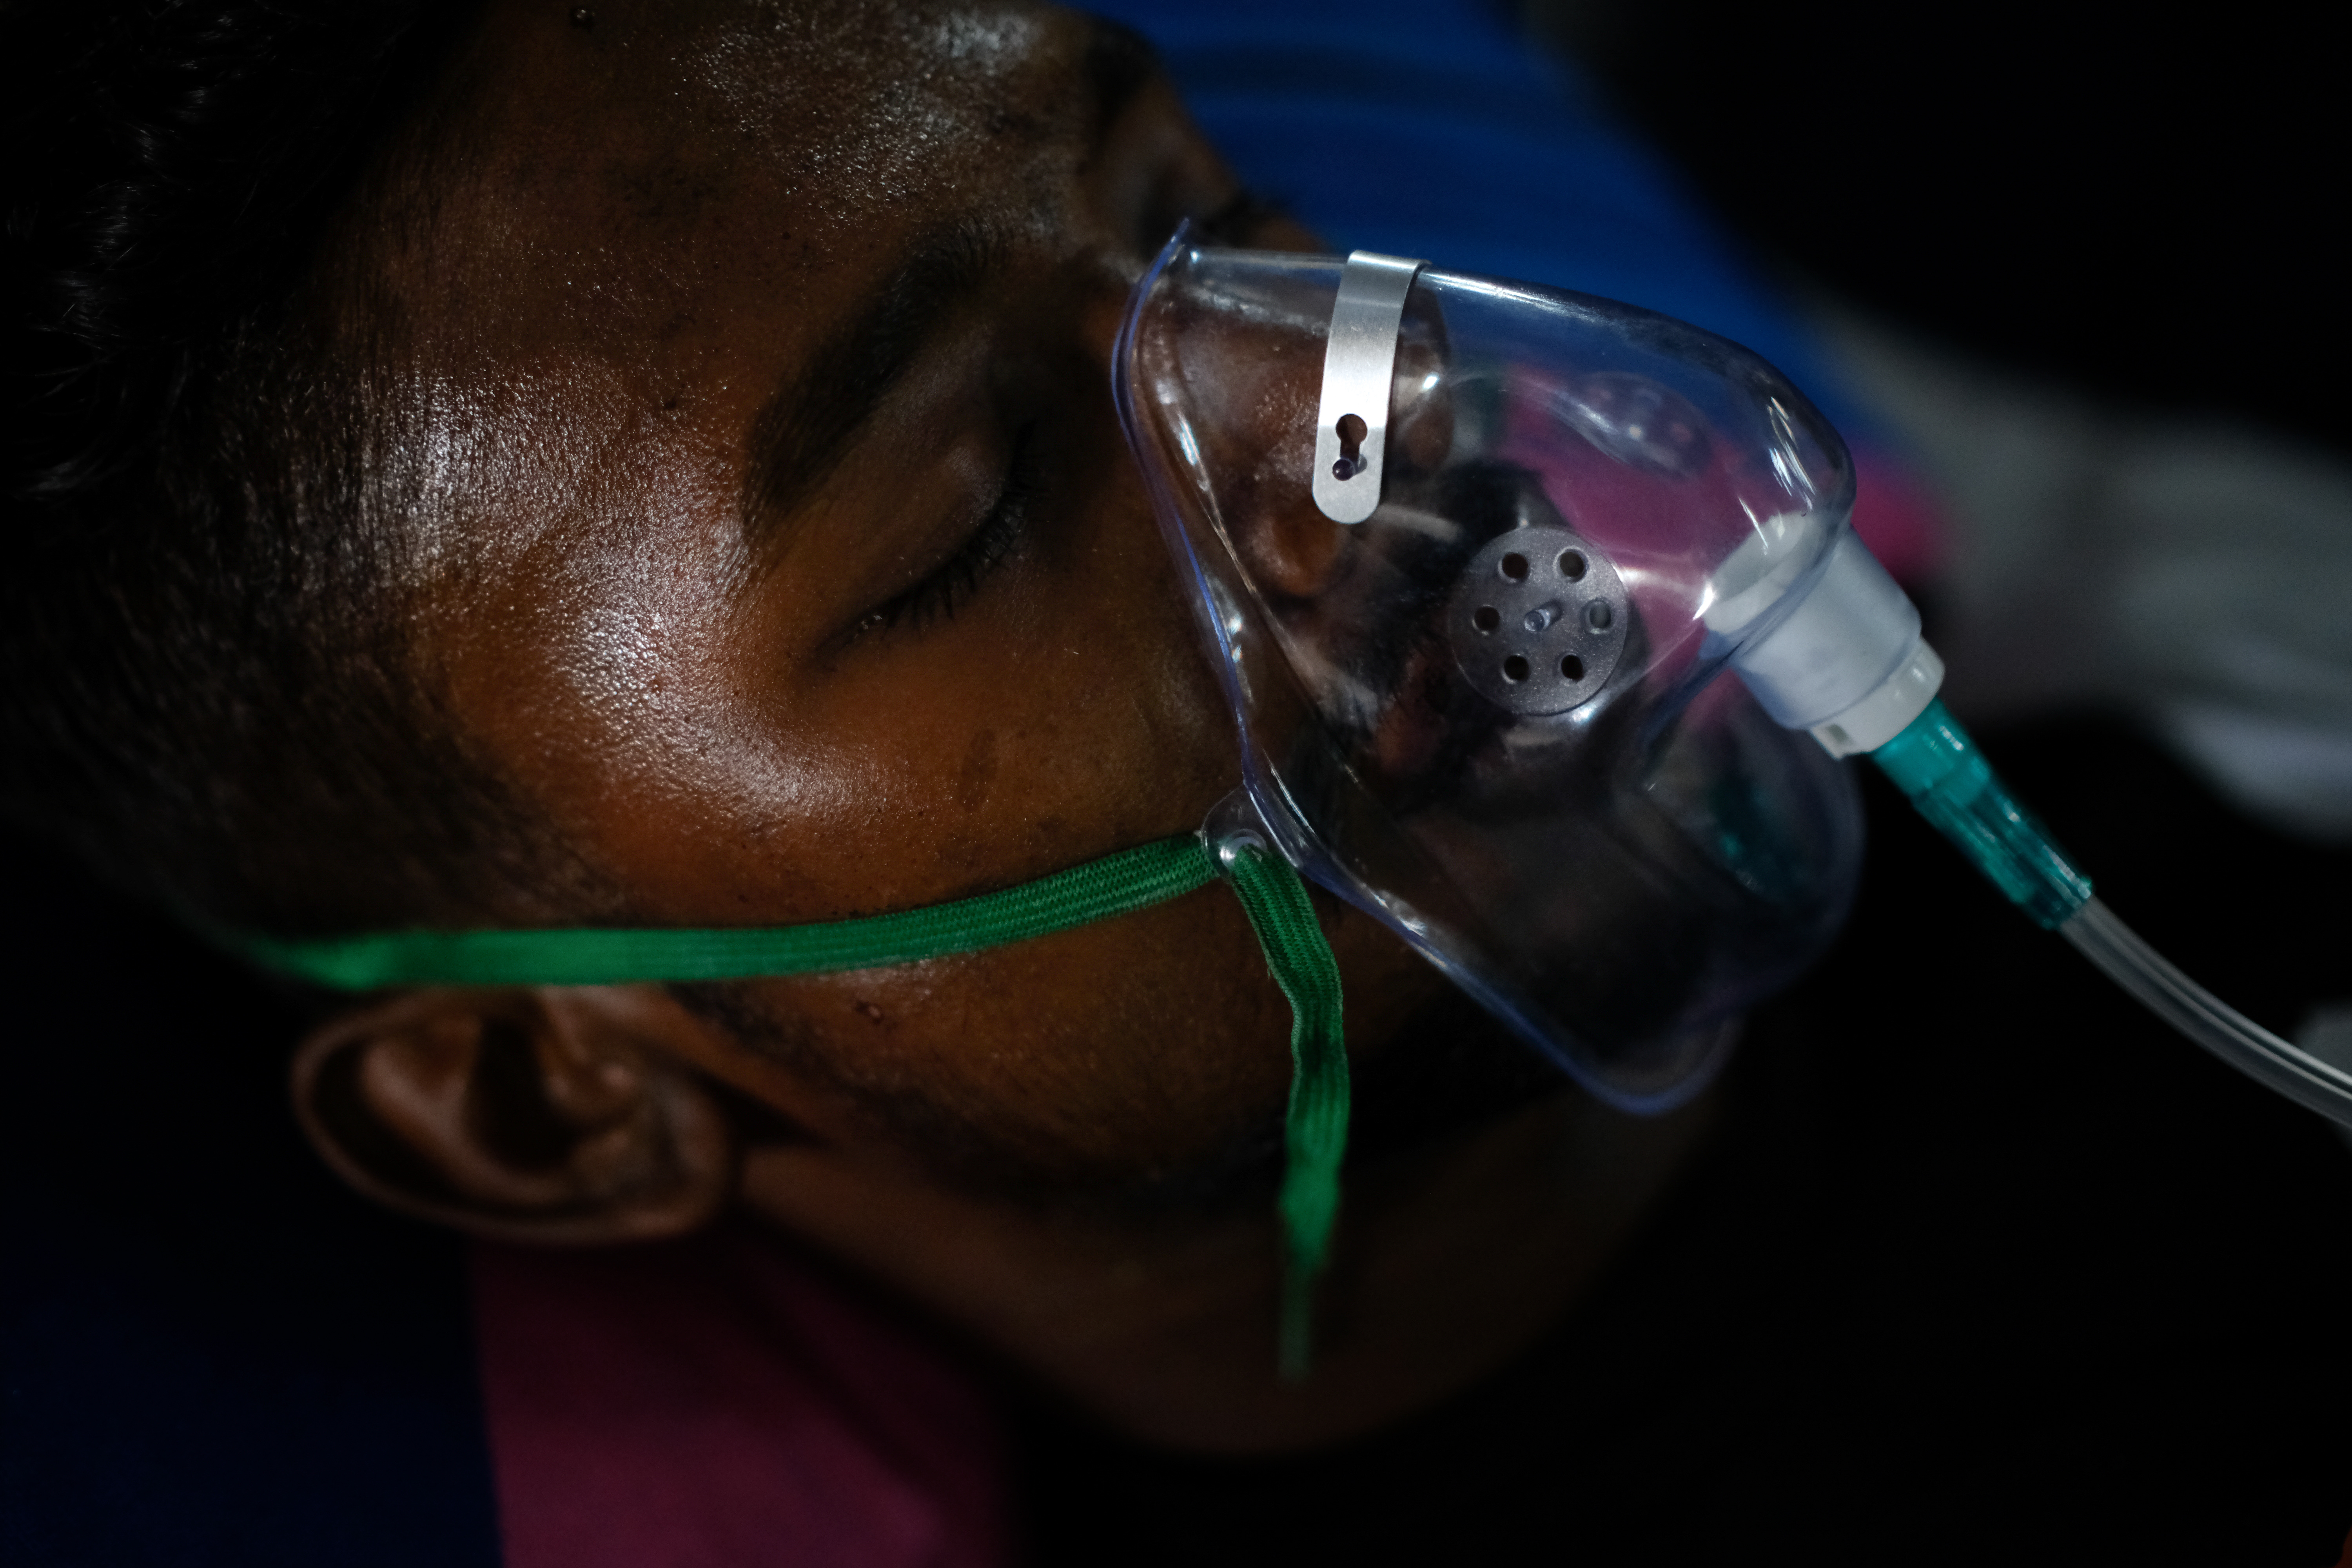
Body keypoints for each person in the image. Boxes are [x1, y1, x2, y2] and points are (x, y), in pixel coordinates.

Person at [7, 2, 2351, 1563]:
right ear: (550, 1099)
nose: (1361, 402)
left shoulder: (2206, 838)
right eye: (978, 514)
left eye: (1191, 219)